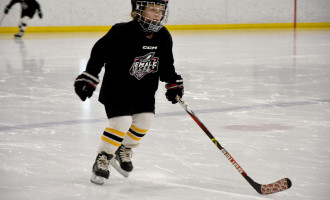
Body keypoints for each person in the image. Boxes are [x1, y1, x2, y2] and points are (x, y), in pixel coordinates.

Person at [74, 0, 183, 185]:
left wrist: (173, 83)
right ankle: (103, 157)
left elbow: (166, 63)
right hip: (117, 89)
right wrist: (89, 75)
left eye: (161, 10)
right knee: (121, 122)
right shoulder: (121, 31)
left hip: (145, 91)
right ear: (138, 10)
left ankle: (123, 148)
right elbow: (99, 52)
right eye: (152, 9)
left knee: (145, 120)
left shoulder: (163, 35)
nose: (157, 14)